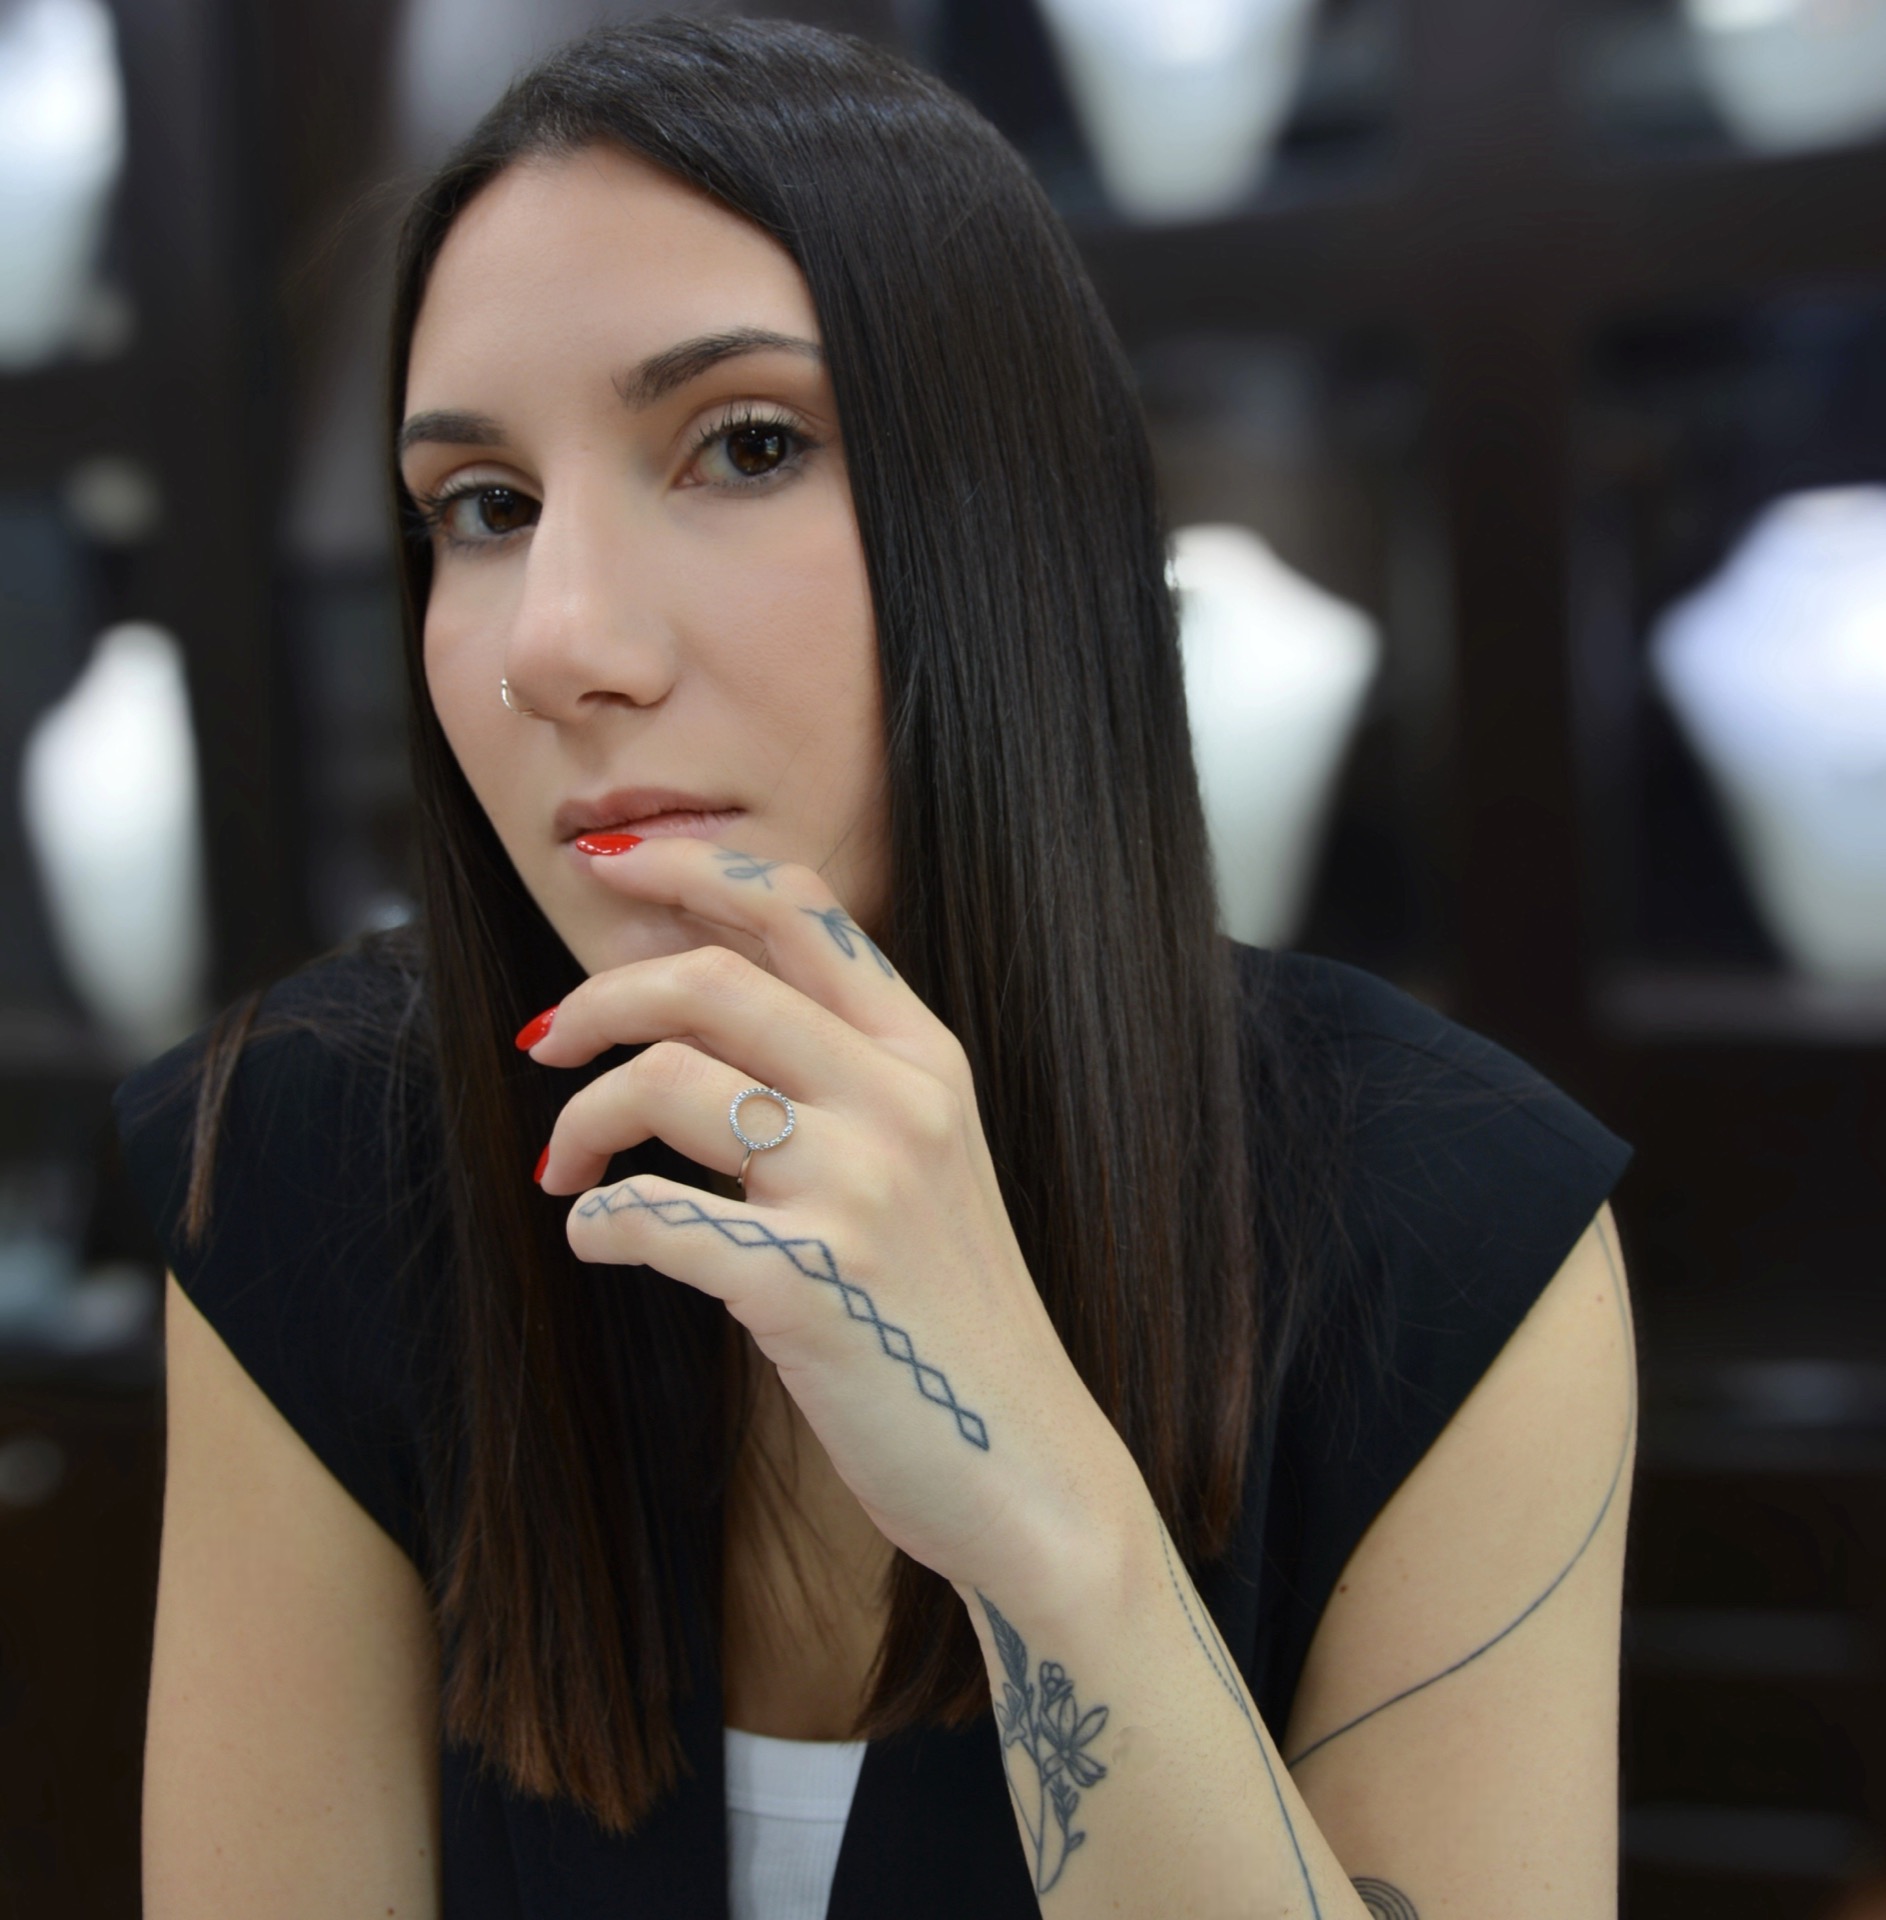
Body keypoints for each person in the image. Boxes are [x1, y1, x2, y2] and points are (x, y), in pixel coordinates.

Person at [114, 17, 1638, 1919]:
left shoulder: (1449, 1227)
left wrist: (1035, 1509)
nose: (555, 644)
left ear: (1013, 526)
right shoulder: (315, 1151)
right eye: (483, 507)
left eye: (745, 446)